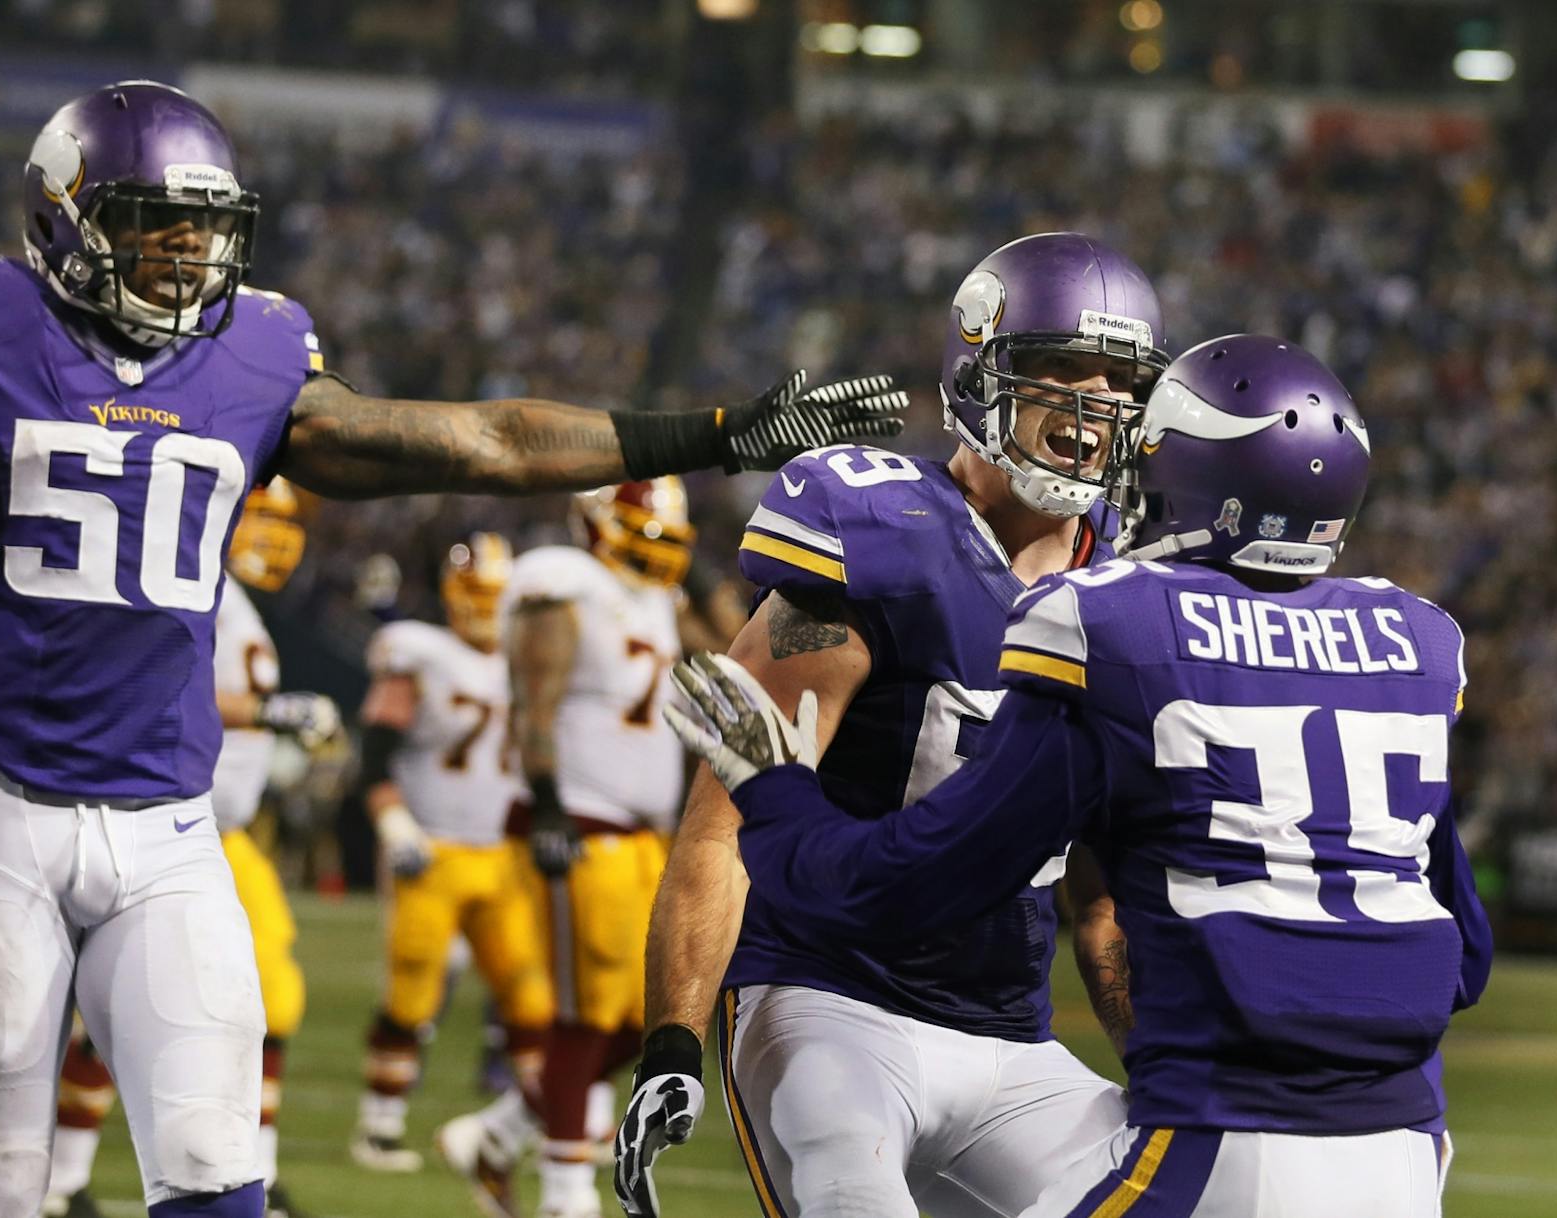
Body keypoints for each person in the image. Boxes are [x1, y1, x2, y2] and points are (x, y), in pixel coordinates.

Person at [0, 79, 906, 1218]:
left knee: (221, 1169)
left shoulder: (257, 352)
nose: (183, 256)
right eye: (152, 224)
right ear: (65, 217)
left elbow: (481, 439)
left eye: (204, 228)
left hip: (170, 828)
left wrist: (714, 432)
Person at [668, 335, 1493, 1218]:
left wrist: (773, 793)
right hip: (1410, 1150)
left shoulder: (1119, 622)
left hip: (1219, 1135)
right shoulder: (1415, 641)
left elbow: (918, 881)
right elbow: (1465, 957)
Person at [613, 233, 1169, 1218]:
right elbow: (722, 825)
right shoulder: (877, 535)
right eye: (1059, 369)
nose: (1095, 409)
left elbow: (1103, 902)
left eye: (1120, 382)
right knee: (849, 1193)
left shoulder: (1133, 593)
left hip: (1012, 1040)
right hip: (827, 1002)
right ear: (980, 371)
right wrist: (671, 1045)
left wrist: (1172, 1077)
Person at [44, 479, 337, 1218]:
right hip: (170, 823)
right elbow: (161, 685)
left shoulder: (234, 601)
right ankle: (61, 1178)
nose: (272, 537)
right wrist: (272, 710)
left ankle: (258, 1173)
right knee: (121, 1005)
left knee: (272, 998)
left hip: (226, 834)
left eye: (282, 523)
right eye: (259, 518)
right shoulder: (187, 584)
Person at [439, 479, 696, 1218]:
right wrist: (548, 801)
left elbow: (728, 637)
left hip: (642, 831)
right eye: (639, 532)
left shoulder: (653, 599)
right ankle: (565, 1196)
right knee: (585, 1013)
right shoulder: (562, 581)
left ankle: (499, 1135)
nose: (652, 551)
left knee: (650, 1016)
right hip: (577, 818)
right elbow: (534, 700)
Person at [349, 532, 555, 1174]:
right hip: (432, 849)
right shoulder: (419, 654)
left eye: (495, 596)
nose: (485, 609)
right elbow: (373, 756)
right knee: (413, 990)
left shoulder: (524, 663)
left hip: (498, 854)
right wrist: (393, 824)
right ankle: (379, 1126)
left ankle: (536, 1121)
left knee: (529, 996)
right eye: (476, 594)